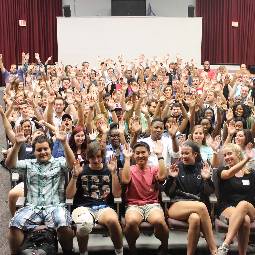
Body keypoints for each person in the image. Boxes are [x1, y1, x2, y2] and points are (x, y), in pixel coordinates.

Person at [5, 126, 75, 255]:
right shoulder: (29, 164)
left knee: (63, 223)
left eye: (45, 149)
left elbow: (72, 164)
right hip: (32, 207)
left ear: (51, 149)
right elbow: (10, 165)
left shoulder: (59, 163)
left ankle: (68, 252)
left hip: (55, 206)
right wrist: (17, 145)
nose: (43, 152)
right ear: (34, 152)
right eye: (39, 150)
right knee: (15, 224)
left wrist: (64, 143)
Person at [66, 141, 123, 255]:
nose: (96, 160)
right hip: (83, 208)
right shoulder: (81, 171)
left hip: (104, 208)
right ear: (87, 157)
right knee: (83, 224)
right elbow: (69, 195)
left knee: (113, 220)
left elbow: (117, 195)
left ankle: (119, 252)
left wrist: (113, 173)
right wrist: (74, 176)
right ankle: (83, 252)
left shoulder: (109, 170)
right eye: (92, 157)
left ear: (102, 156)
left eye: (98, 157)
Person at [164, 140, 217, 255]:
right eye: (182, 153)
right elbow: (168, 193)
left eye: (186, 153)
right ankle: (214, 249)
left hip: (196, 208)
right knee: (202, 206)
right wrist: (171, 178)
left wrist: (207, 178)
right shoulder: (176, 167)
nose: (183, 156)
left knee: (195, 219)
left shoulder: (202, 167)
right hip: (177, 206)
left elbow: (208, 192)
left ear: (195, 154)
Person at [121, 141, 169, 255]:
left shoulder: (153, 169)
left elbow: (162, 177)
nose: (141, 155)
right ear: (134, 155)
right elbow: (125, 180)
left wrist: (160, 155)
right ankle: (132, 249)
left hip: (152, 205)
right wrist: (127, 158)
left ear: (149, 153)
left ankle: (164, 247)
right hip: (133, 205)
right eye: (137, 153)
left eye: (143, 152)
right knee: (131, 222)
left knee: (159, 221)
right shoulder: (130, 168)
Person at [217, 143, 255, 255]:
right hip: (228, 207)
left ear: (238, 154)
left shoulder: (251, 173)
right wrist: (246, 159)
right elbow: (228, 174)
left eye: (229, 154)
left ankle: (225, 245)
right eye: (225, 155)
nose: (227, 157)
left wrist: (246, 160)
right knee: (245, 220)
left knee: (243, 204)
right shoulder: (222, 170)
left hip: (250, 208)